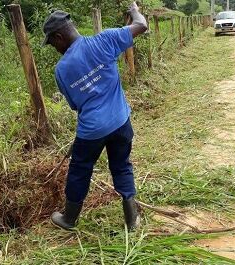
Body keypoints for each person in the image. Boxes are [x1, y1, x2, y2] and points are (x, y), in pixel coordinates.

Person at [42, 2, 147, 231]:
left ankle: (69, 219)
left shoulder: (61, 70)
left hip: (91, 131)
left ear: (59, 37)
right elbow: (141, 25)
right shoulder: (105, 40)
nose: (55, 49)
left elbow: (75, 105)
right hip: (121, 122)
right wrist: (133, 10)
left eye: (52, 44)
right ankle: (132, 219)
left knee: (80, 170)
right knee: (121, 166)